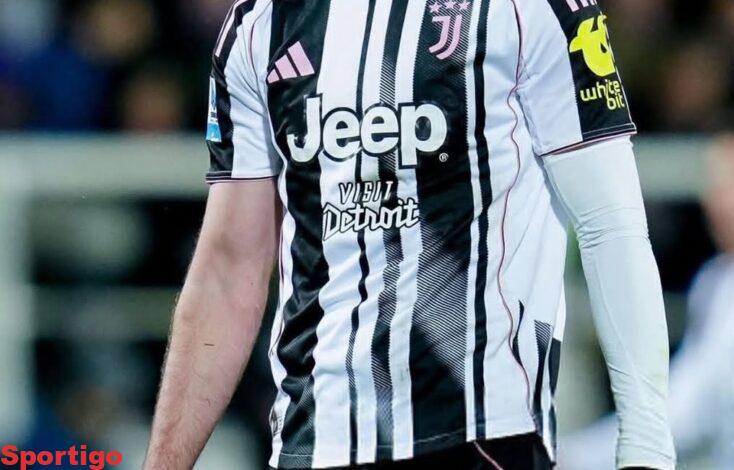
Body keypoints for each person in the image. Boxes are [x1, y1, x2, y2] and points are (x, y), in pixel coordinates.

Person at [144, 0, 675, 468]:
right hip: (315, 436)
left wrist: (647, 444)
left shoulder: (533, 7)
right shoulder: (261, 22)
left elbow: (611, 225)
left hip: (482, 430)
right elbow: (228, 269)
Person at [561, 105, 734, 469]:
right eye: (719, 184)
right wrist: (576, 457)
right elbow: (689, 403)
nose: (728, 201)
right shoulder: (721, 285)